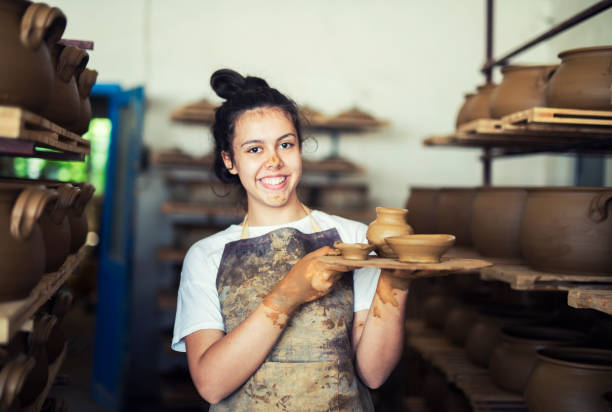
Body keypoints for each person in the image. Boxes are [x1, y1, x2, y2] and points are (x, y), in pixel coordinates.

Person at [172, 68, 411, 411]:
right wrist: (287, 295)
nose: (274, 161)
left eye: (286, 144)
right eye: (254, 149)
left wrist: (396, 283)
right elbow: (211, 384)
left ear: (300, 149)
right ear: (230, 160)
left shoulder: (354, 238)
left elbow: (373, 374)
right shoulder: (207, 255)